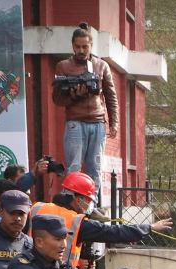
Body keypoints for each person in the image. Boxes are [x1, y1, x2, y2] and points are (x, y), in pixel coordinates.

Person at [31, 171, 171, 269]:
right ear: (78, 199)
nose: (89, 205)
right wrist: (149, 228)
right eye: (88, 200)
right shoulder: (77, 222)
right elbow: (114, 232)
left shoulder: (37, 207)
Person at [52, 22, 118, 201]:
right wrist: (74, 96)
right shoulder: (63, 66)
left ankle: (91, 206)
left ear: (91, 45)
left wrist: (114, 123)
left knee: (95, 168)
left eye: (85, 46)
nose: (81, 50)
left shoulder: (102, 65)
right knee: (74, 167)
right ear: (73, 46)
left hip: (98, 123)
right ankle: (69, 205)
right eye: (78, 46)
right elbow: (57, 99)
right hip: (75, 122)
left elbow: (111, 96)